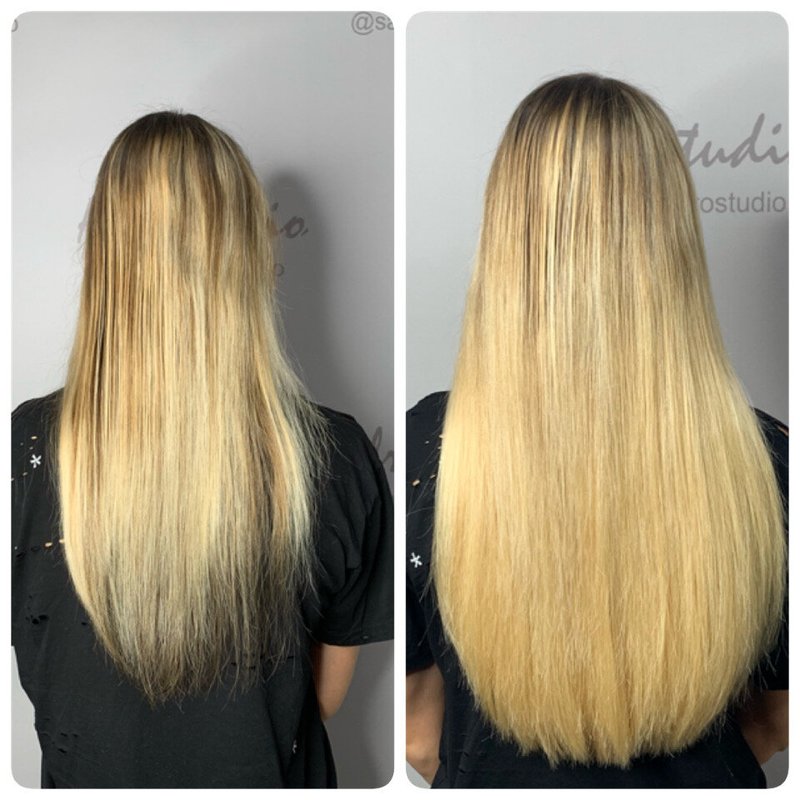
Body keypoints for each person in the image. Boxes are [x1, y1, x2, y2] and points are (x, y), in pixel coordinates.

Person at [406, 74, 787, 789]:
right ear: (671, 230)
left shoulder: (429, 447)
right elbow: (773, 723)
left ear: (508, 229)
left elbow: (421, 736)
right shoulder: (765, 458)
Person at [12, 111, 393, 788]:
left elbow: (42, 667)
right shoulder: (334, 456)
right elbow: (320, 699)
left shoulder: (25, 450)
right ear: (247, 251)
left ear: (107, 251)